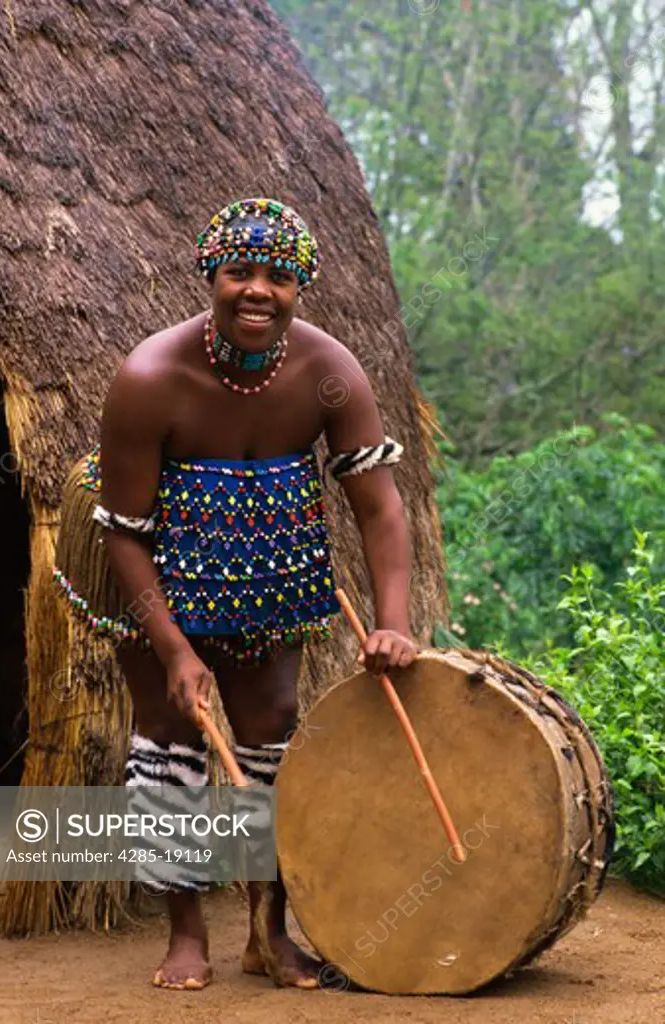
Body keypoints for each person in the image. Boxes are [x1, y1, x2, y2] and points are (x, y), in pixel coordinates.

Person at [62, 197, 419, 990]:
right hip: (161, 595)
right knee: (172, 748)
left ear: (300, 288)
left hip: (273, 594)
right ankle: (184, 934)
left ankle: (270, 931)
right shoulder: (151, 377)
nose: (258, 290)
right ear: (210, 277)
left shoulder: (329, 373)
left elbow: (379, 505)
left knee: (269, 752)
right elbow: (124, 530)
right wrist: (174, 649)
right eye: (240, 273)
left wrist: (392, 625)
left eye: (279, 277)